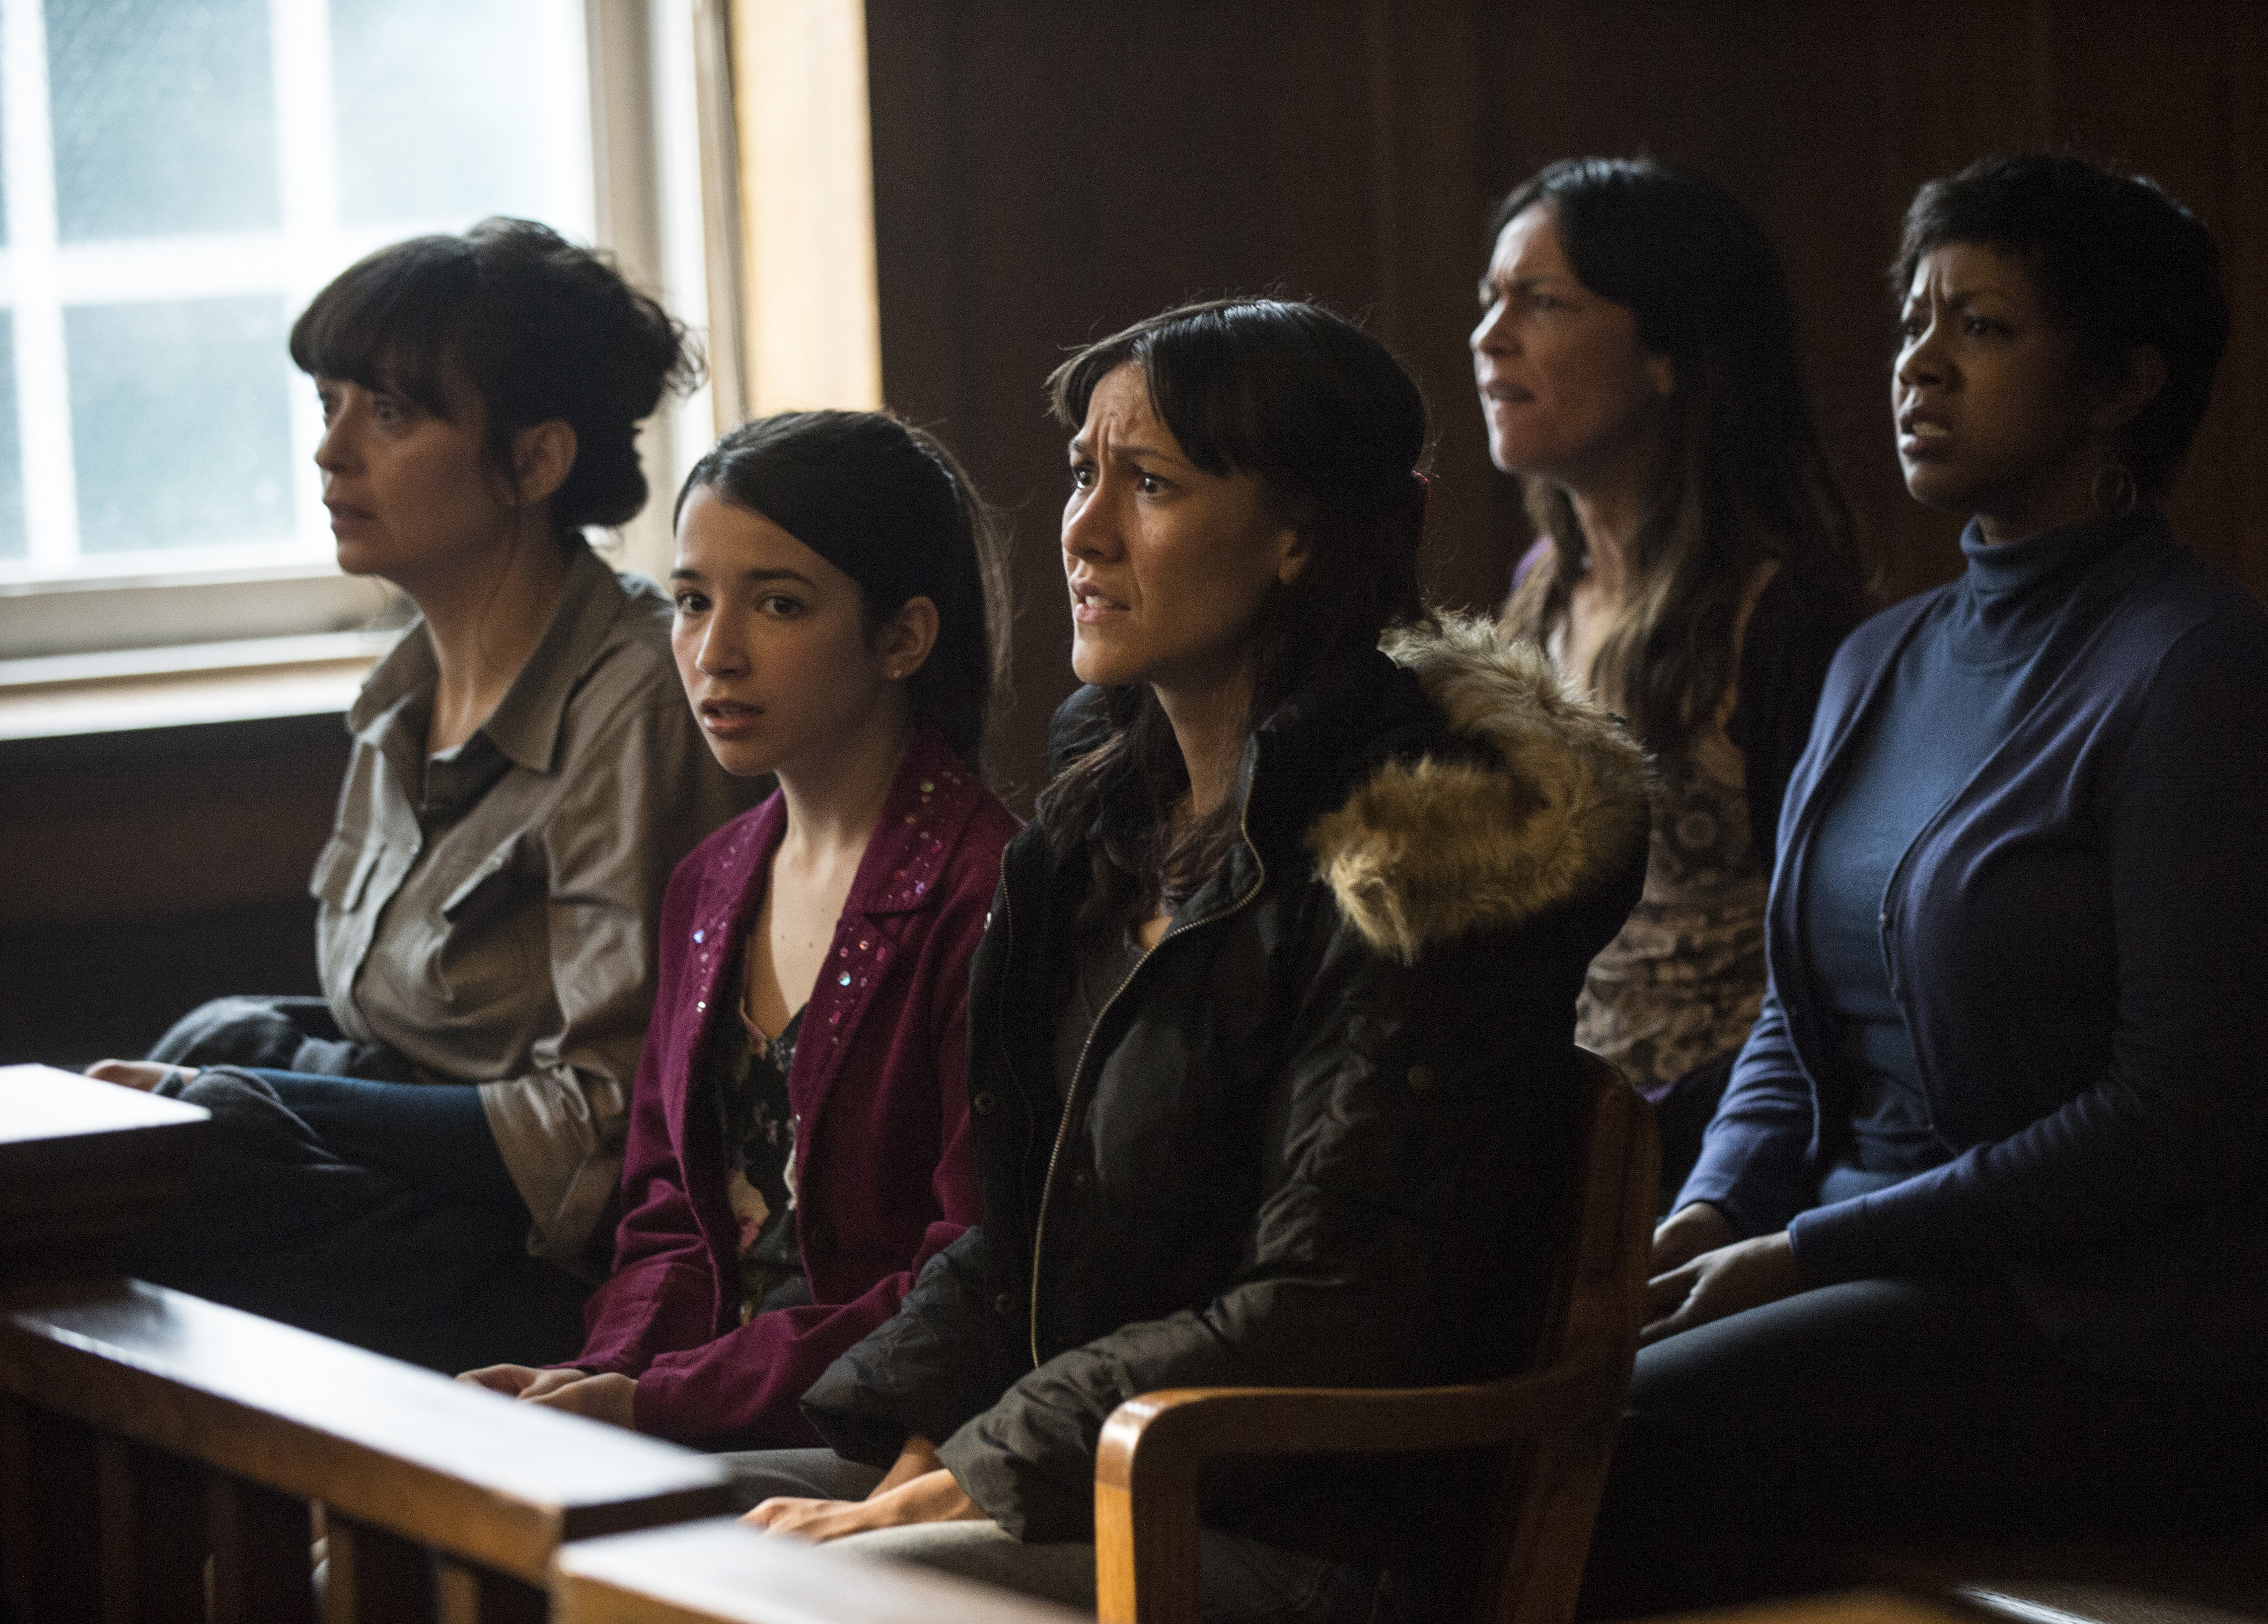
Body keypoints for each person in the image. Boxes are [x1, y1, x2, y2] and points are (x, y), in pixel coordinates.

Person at [714, 299, 1650, 1620]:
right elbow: (1011, 1232)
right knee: (604, 1537)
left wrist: (988, 1464)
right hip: (1088, 1460)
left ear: (1300, 537)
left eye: (1148, 485)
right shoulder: (1093, 834)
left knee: (782, 1605)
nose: (1085, 533)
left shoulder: (1424, 856)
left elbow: (1340, 1308)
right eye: (1083, 475)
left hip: (1297, 1516)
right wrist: (922, 1442)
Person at [1584, 152, 2268, 1614]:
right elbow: (1790, 1020)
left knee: (1590, 1449)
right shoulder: (1884, 657)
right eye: (1912, 322)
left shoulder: (2204, 675)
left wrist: (1807, 1249)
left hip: (2136, 1344)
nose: (1919, 367)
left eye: (1984, 329)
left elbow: (2172, 1124)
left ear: (2125, 381)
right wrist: (1709, 1212)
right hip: (1882, 1283)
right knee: (1507, 1392)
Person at [83, 219, 756, 1373]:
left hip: (542, 1258)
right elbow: (376, 1032)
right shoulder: (406, 695)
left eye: (389, 414)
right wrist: (239, 1070)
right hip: (400, 1185)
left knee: (166, 1163)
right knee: (194, 1063)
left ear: (535, 462)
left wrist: (252, 1096)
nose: (332, 455)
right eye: (330, 404)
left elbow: (603, 1128)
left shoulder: (638, 695)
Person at [458, 410, 1019, 1447]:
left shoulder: (988, 895)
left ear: (902, 636)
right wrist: (593, 1380)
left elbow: (962, 1272)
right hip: (697, 1406)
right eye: (689, 601)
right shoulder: (711, 882)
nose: (714, 652)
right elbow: (669, 1216)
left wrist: (654, 1405)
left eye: (778, 604)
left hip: (880, 1430)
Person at [1474, 156, 1864, 1199]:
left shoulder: (1785, 620)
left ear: (1668, 352)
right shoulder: (1541, 588)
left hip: (1711, 1154)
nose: (1489, 336)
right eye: (1489, 300)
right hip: (1550, 1130)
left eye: (1541, 302)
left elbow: (1835, 981)